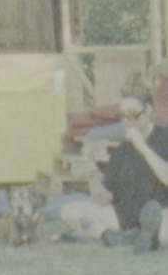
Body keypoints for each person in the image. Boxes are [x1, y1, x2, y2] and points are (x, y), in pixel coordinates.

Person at [60, 71, 168, 254]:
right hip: (123, 217)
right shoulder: (121, 151)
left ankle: (149, 233)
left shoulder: (164, 138)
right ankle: (112, 236)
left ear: (148, 111)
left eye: (132, 115)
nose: (127, 122)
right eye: (123, 116)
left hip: (161, 214)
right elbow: (105, 199)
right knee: (69, 210)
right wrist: (92, 176)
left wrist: (142, 147)